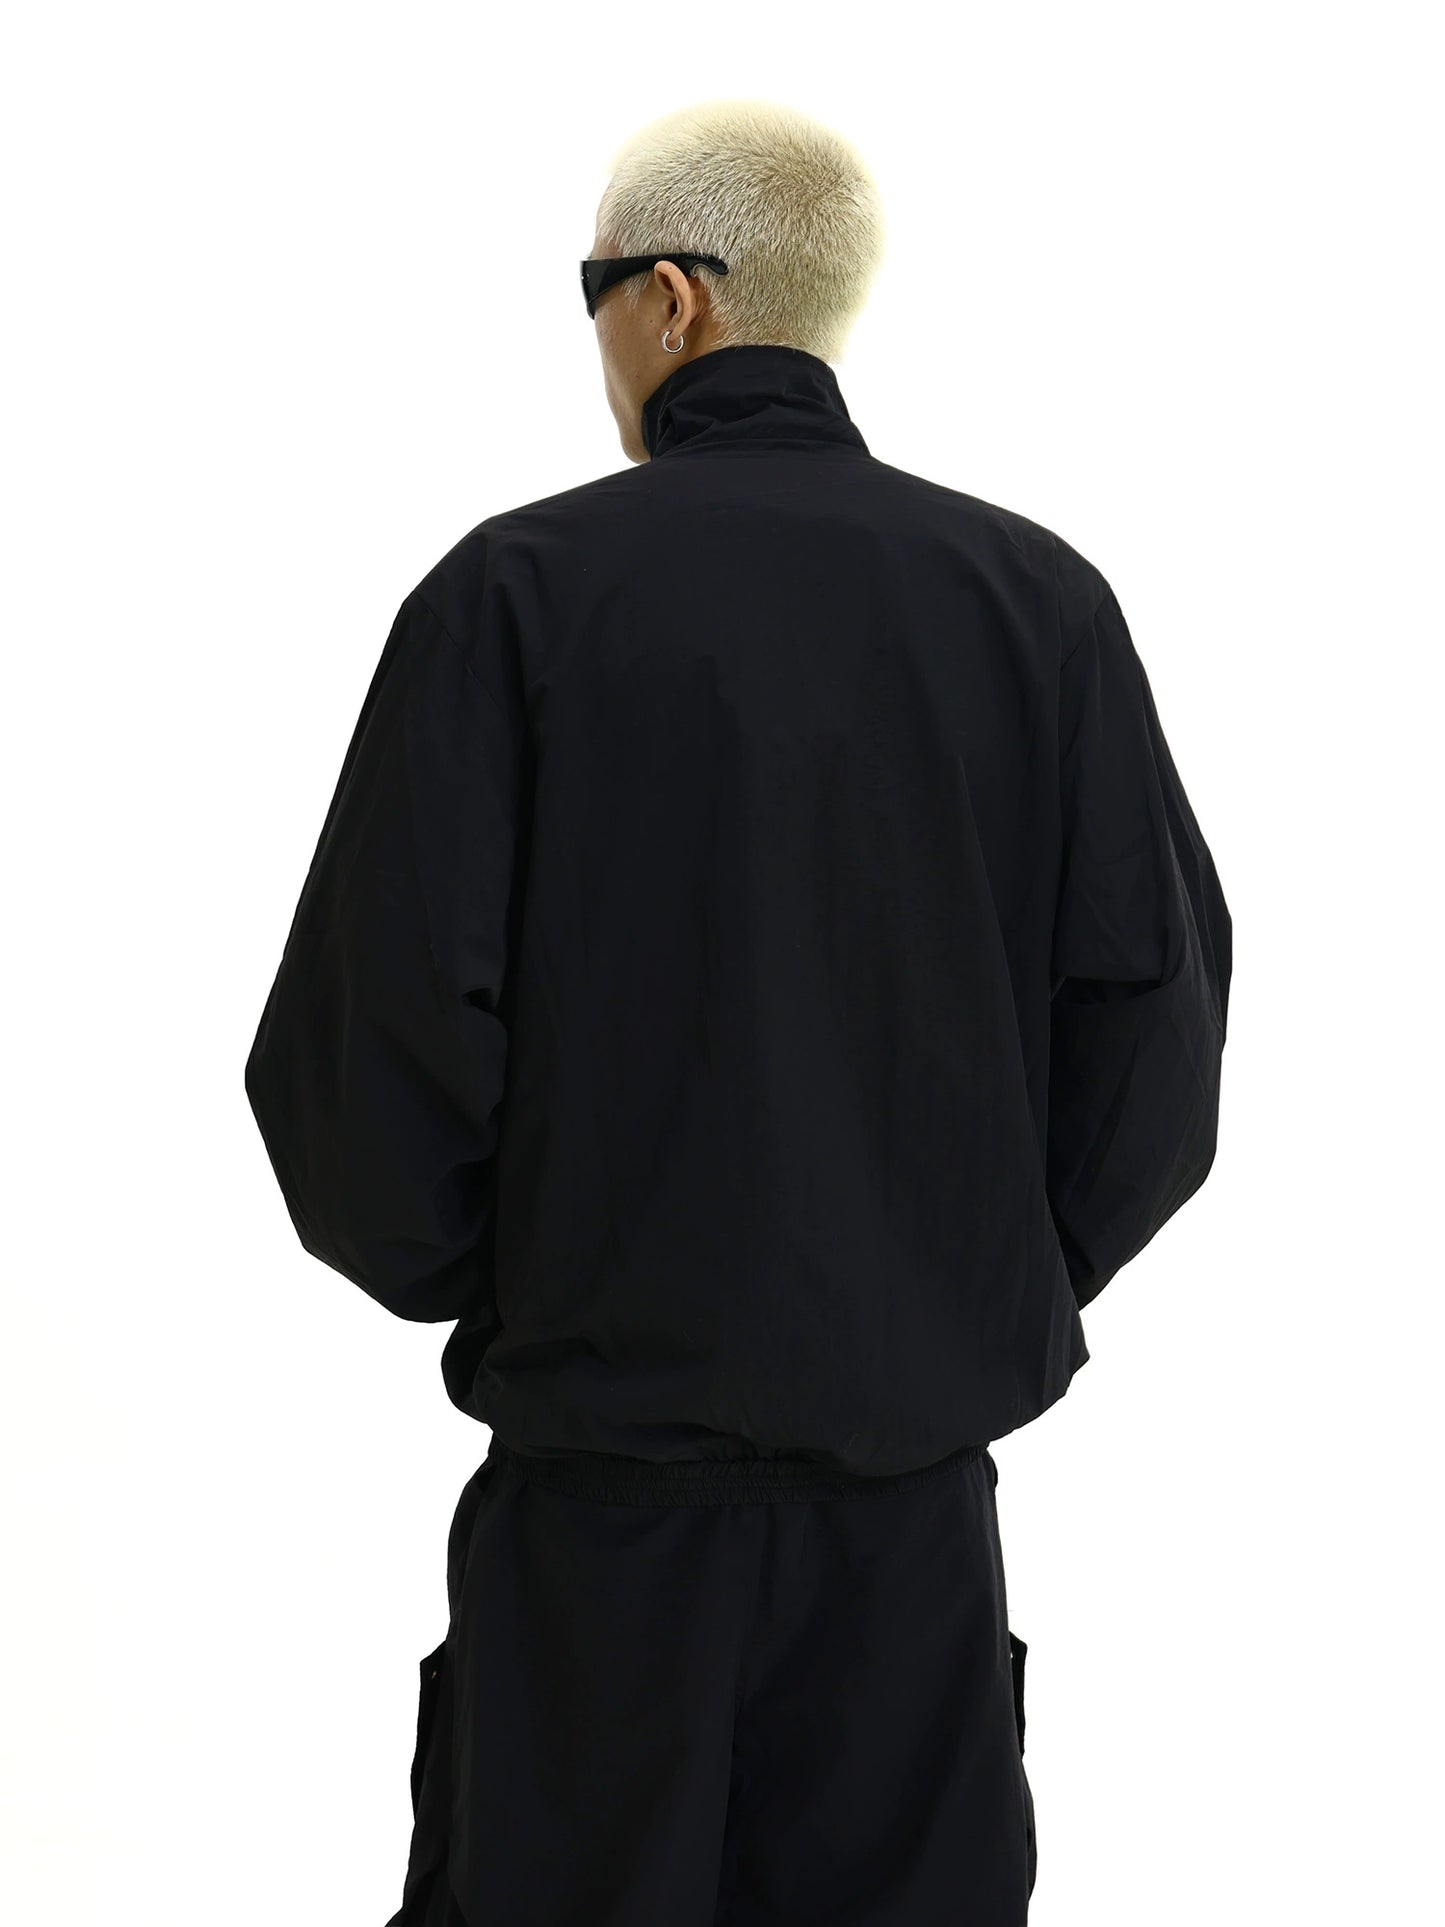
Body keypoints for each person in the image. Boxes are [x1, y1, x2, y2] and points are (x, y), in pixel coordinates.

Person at [245, 97, 1232, 1927]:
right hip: (910, 1530)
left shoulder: (514, 595)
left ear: (673, 300)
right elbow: (1154, 1048)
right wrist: (962, 1280)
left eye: (591, 293)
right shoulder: (1034, 604)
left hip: (594, 1522)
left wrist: (521, 1280)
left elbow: (364, 1054)